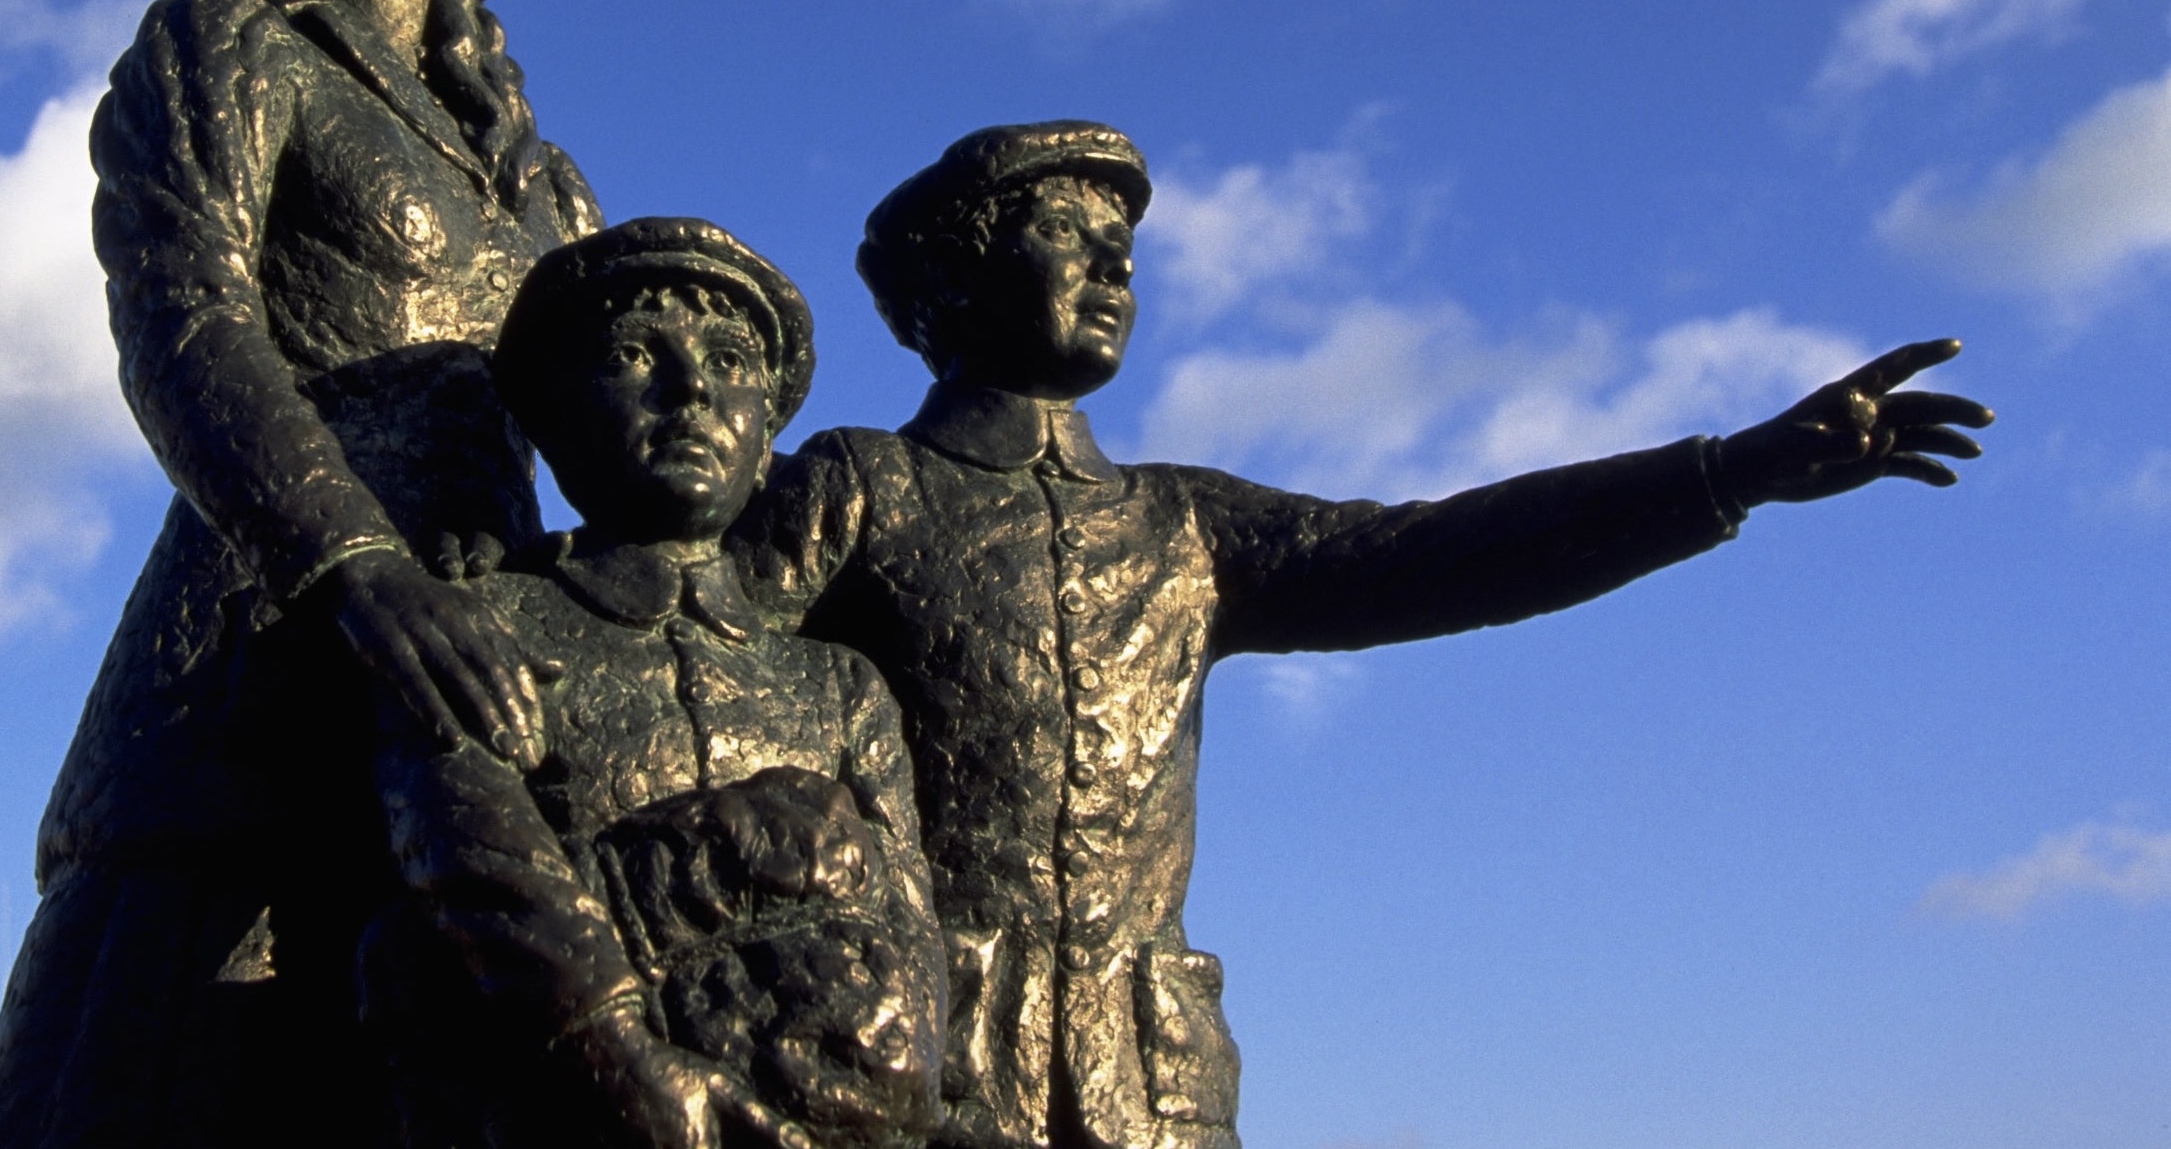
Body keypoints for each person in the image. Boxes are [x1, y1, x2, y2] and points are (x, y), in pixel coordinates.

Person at [735, 121, 1993, 1149]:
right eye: (1063, 233)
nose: (1112, 269)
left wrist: (1726, 472)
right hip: (919, 1056)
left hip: (1152, 1086)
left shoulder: (1185, 523)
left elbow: (1437, 554)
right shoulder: (863, 482)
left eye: (1123, 248)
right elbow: (695, 674)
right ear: (953, 275)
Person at [0, 0, 601, 1149]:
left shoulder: (551, 186)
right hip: (251, 667)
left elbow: (636, 455)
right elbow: (186, 321)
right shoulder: (227, 44)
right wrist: (356, 570)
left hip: (475, 687)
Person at [364, 218, 943, 1149]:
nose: (693, 390)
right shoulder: (484, 624)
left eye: (730, 360)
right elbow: (472, 870)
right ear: (552, 421)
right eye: (635, 354)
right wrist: (621, 1051)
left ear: (766, 443)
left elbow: (910, 938)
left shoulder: (839, 685)